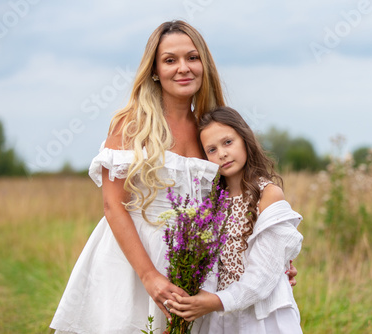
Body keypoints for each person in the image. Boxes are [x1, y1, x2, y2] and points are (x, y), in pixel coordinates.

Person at [50, 20, 297, 334]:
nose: (183, 68)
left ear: (204, 64)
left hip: (192, 262)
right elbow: (113, 206)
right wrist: (150, 276)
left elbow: (234, 206)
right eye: (170, 60)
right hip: (132, 262)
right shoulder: (132, 125)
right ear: (154, 70)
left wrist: (274, 261)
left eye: (192, 58)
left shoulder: (210, 134)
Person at [166, 106, 304, 333]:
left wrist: (215, 302)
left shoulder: (267, 194)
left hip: (261, 316)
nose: (221, 154)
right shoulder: (210, 203)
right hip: (220, 317)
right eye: (211, 149)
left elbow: (264, 273)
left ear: (245, 139)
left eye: (228, 142)